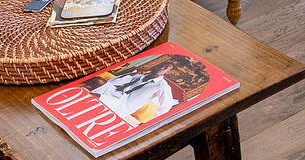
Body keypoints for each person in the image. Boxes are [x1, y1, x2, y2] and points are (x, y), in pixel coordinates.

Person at [82, 51, 212, 125]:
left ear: (166, 72)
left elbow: (165, 106)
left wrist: (149, 123)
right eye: (162, 66)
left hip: (123, 103)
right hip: (116, 92)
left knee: (94, 97)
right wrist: (134, 74)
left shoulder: (161, 86)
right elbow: (115, 82)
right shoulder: (142, 75)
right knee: (97, 80)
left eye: (165, 68)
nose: (161, 68)